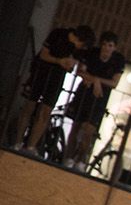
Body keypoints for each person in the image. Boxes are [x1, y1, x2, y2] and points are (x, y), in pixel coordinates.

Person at [18, 23, 91, 154]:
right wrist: (59, 61)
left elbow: (75, 65)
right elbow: (43, 55)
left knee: (45, 111)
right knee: (29, 107)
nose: (81, 47)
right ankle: (17, 143)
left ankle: (30, 146)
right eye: (82, 44)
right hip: (40, 73)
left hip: (57, 79)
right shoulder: (58, 34)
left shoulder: (78, 51)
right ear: (79, 39)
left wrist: (70, 64)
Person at [64, 31, 125, 169]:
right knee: (76, 126)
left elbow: (114, 83)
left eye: (110, 46)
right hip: (84, 94)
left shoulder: (118, 60)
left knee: (89, 130)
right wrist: (95, 80)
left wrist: (95, 80)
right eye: (104, 45)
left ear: (114, 48)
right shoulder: (91, 54)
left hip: (99, 99)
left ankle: (81, 159)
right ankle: (68, 158)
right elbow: (80, 71)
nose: (106, 49)